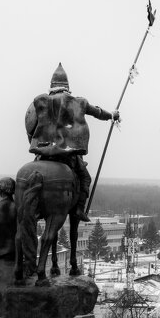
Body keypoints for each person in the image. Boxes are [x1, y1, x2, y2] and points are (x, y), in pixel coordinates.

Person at [25, 63, 119, 222]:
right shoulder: (77, 102)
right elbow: (98, 112)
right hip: (66, 154)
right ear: (67, 87)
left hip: (42, 154)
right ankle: (79, 210)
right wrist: (112, 115)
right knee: (85, 179)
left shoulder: (38, 103)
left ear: (51, 86)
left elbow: (29, 126)